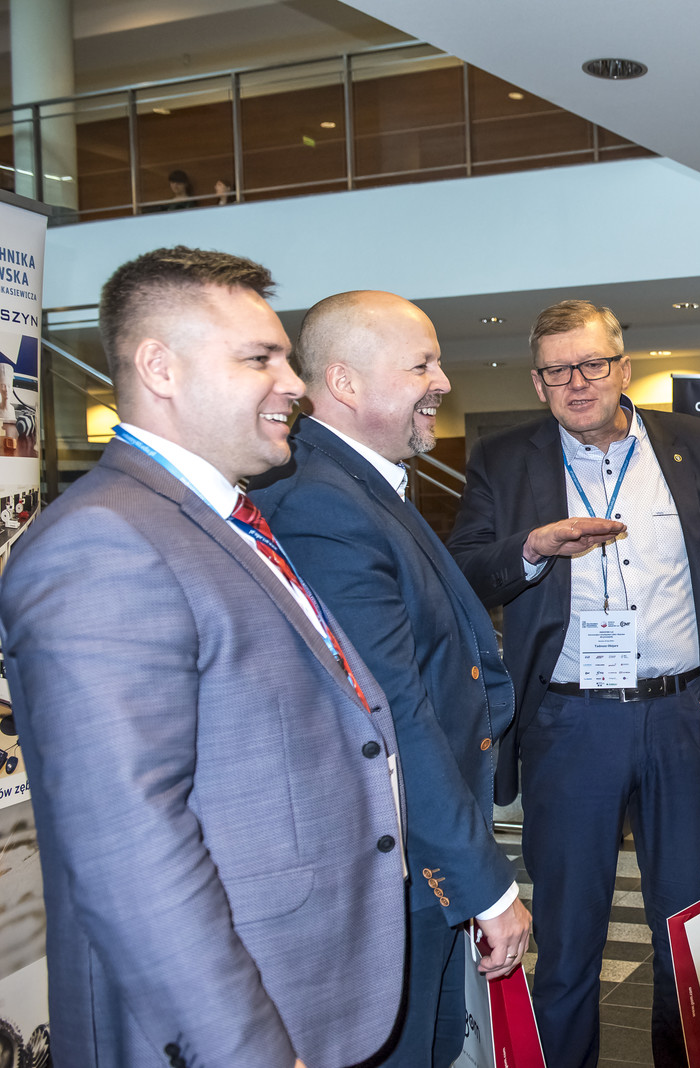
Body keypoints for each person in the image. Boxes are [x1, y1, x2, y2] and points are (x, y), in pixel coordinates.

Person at [0, 247, 407, 1067]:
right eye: (260, 359)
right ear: (161, 368)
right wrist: (246, 1051)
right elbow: (130, 846)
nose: (295, 384)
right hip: (227, 1025)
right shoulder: (103, 542)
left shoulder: (222, 520)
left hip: (304, 987)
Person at [448, 299, 700, 1068]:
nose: (577, 382)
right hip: (570, 724)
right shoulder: (503, 458)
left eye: (592, 364)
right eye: (557, 371)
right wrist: (530, 548)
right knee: (568, 937)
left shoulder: (693, 444)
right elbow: (464, 571)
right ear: (537, 383)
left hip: (685, 718)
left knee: (688, 932)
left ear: (623, 367)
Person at [250, 291, 532, 1066]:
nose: (443, 382)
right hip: (394, 878)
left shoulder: (362, 486)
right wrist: (485, 885)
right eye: (422, 365)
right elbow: (392, 714)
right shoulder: (322, 504)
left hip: (417, 864)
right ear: (344, 382)